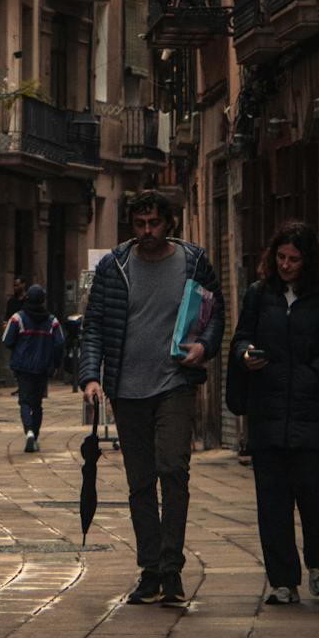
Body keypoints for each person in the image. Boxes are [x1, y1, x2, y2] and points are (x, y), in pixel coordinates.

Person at [80, 190, 223, 607]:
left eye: (154, 223)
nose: (147, 231)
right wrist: (90, 376)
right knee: (140, 482)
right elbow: (94, 325)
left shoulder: (193, 261)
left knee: (173, 469)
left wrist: (205, 346)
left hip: (175, 382)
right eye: (140, 224)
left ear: (169, 223)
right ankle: (151, 570)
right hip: (126, 389)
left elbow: (215, 312)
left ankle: (172, 567)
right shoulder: (115, 266)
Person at [228, 219, 319, 605]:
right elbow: (241, 337)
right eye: (281, 257)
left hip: (311, 411)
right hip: (267, 411)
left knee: (315, 495)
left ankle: (316, 556)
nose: (285, 265)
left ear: (307, 260)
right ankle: (282, 581)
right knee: (272, 503)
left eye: (294, 259)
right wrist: (246, 355)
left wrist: (314, 373)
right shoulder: (258, 294)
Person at [2, 285, 64, 452]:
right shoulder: (52, 321)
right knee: (37, 404)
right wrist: (55, 364)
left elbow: (7, 340)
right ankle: (34, 435)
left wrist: (19, 349)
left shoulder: (18, 318)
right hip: (42, 367)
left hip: (22, 367)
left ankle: (28, 432)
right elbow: (59, 343)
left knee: (24, 401)